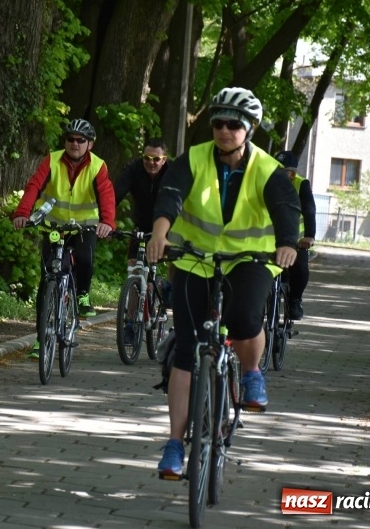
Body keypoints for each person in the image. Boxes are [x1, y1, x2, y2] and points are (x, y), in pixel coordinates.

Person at [145, 87, 301, 479]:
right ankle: (175, 445)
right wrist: (159, 234)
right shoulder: (193, 158)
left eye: (234, 124)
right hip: (196, 260)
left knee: (247, 317)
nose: (225, 130)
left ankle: (251, 373)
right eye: (218, 123)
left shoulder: (267, 169)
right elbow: (171, 196)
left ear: (248, 129)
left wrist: (286, 244)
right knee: (185, 348)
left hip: (250, 260)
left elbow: (286, 209)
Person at [12, 119, 116, 354]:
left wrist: (107, 222)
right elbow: (34, 186)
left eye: (81, 140)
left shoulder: (98, 165)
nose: (75, 144)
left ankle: (82, 295)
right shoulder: (52, 159)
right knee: (46, 279)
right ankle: (41, 339)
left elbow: (106, 194)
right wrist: (22, 213)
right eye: (70, 139)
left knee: (85, 259)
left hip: (84, 226)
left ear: (89, 144)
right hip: (53, 225)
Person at [114, 137, 172, 344]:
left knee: (176, 259)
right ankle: (130, 323)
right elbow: (115, 193)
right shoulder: (135, 169)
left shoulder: (172, 172)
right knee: (136, 271)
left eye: (156, 159)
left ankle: (167, 286)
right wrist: (106, 219)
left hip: (169, 226)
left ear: (164, 159)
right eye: (147, 158)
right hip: (142, 227)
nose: (151, 163)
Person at [274, 149, 316, 320]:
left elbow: (309, 210)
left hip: (295, 242)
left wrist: (309, 236)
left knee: (300, 269)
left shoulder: (301, 185)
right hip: (269, 240)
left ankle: (295, 301)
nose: (281, 176)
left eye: (286, 172)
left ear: (293, 173)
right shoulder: (265, 183)